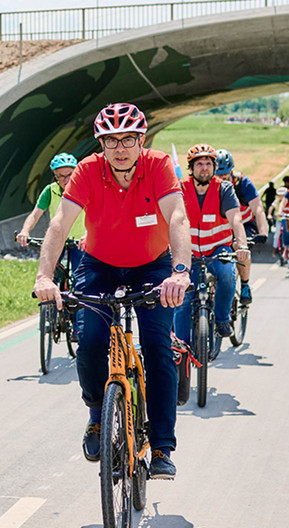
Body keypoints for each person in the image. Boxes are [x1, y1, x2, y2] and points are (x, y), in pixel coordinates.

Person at [33, 103, 191, 479]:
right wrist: (44, 276)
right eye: (111, 141)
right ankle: (96, 415)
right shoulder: (88, 170)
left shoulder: (157, 167)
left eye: (128, 140)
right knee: (88, 342)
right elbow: (60, 223)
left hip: (152, 265)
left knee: (157, 348)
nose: (120, 149)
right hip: (98, 264)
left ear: (142, 140)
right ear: (101, 144)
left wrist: (180, 272)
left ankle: (162, 447)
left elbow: (178, 217)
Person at [175, 144, 249, 347]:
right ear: (191, 168)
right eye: (200, 164)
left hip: (218, 248)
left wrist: (241, 245)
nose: (205, 168)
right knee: (183, 299)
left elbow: (236, 219)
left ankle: (222, 318)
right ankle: (181, 348)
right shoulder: (180, 188)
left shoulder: (224, 189)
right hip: (187, 251)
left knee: (226, 273)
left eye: (209, 163)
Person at [16, 152, 86, 271]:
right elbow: (35, 214)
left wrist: (89, 234)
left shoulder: (85, 189)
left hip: (80, 240)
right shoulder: (50, 191)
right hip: (57, 237)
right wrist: (25, 231)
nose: (66, 180)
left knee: (80, 277)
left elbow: (98, 215)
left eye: (70, 175)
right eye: (61, 176)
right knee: (48, 271)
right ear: (55, 177)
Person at [214, 149, 266, 304]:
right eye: (218, 177)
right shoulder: (209, 185)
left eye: (226, 176)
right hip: (221, 226)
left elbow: (258, 208)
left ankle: (245, 284)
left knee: (240, 248)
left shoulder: (243, 183)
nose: (223, 180)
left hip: (244, 223)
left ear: (232, 172)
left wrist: (263, 231)